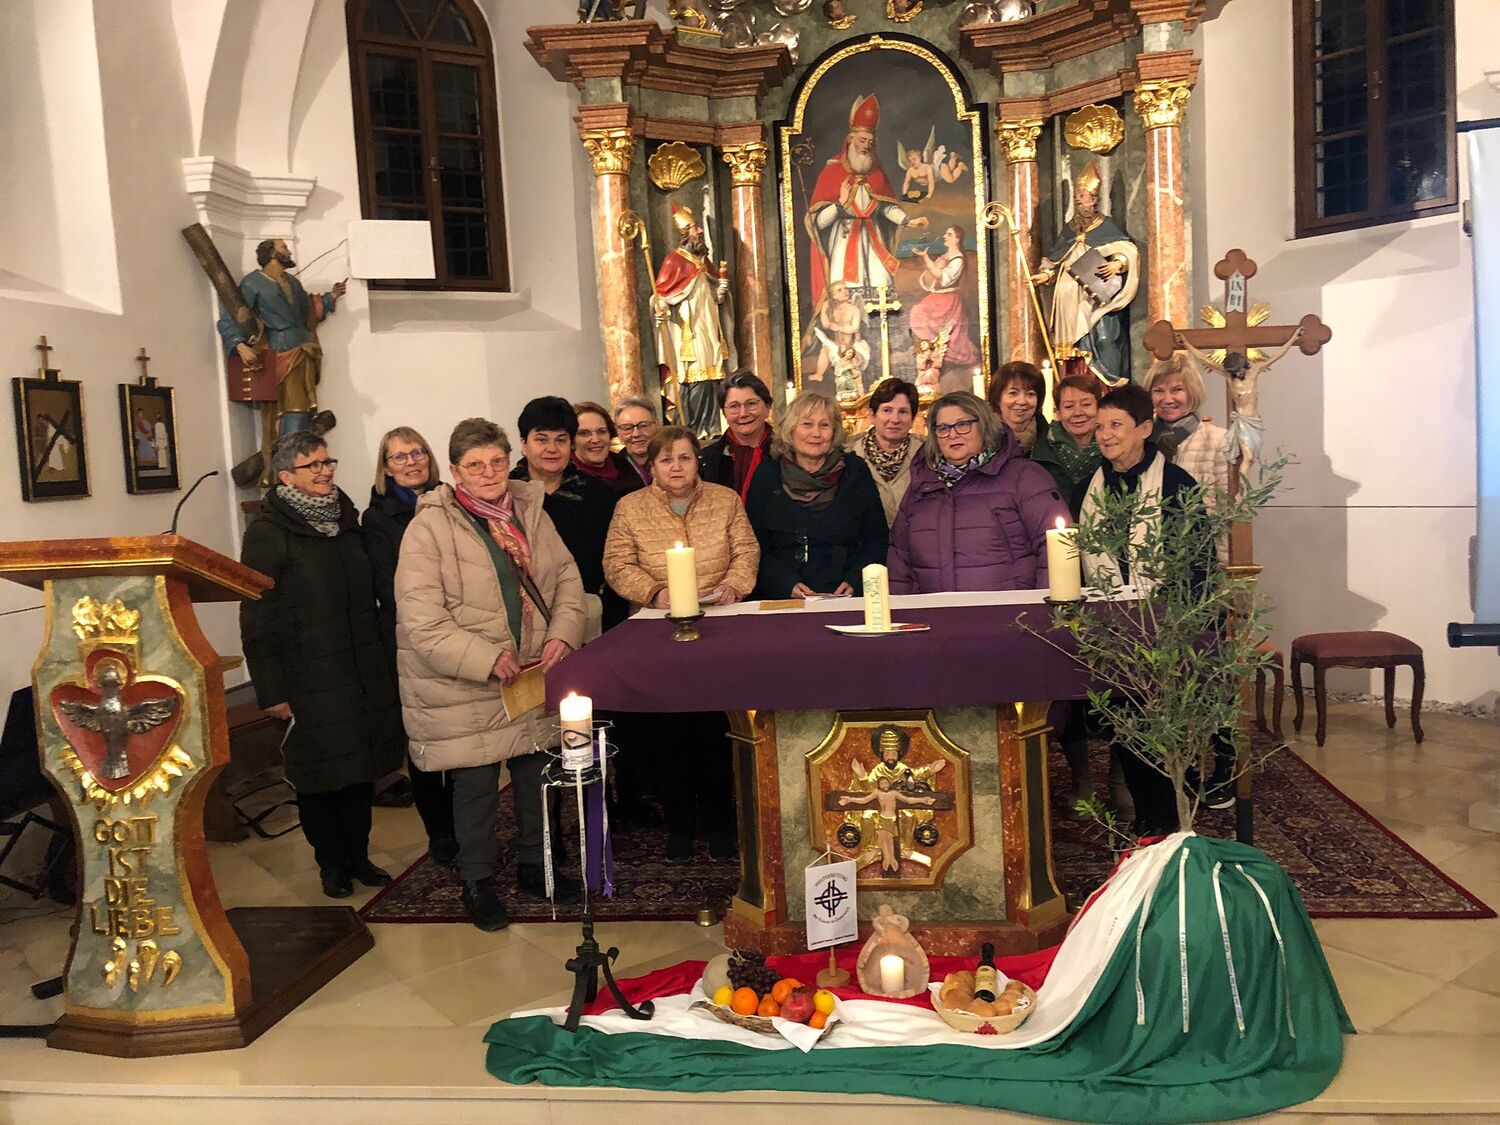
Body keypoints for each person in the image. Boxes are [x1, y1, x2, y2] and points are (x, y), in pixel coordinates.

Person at [396, 418, 588, 931]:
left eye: (497, 462)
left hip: (531, 667)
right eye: (475, 465)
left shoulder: (530, 511)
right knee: (476, 786)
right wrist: (485, 659)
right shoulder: (429, 527)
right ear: (455, 471)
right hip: (466, 679)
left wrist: (562, 634)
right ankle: (477, 881)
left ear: (510, 462)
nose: (488, 473)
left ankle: (537, 866)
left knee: (536, 775)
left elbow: (567, 578)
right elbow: (421, 619)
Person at [240, 432, 404, 899]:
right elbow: (256, 616)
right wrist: (270, 690)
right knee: (320, 776)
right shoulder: (268, 533)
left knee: (358, 771)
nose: (325, 470)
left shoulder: (345, 519)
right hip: (307, 677)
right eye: (313, 465)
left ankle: (358, 856)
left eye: (328, 461)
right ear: (285, 476)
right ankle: (330, 864)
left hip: (358, 669)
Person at [603, 426, 759, 862]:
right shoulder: (630, 507)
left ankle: (719, 824)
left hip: (719, 625)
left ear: (698, 462)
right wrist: (655, 592)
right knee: (670, 734)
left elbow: (746, 550)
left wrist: (734, 585)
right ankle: (680, 826)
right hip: (659, 629)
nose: (676, 467)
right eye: (666, 459)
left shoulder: (725, 500)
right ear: (652, 466)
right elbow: (617, 563)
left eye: (685, 458)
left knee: (715, 730)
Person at [1076, 383, 1208, 836]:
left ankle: (1175, 824)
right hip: (1113, 634)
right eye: (1099, 426)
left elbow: (1198, 564)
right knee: (1128, 732)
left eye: (1116, 425)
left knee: (1169, 734)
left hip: (1168, 633)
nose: (1105, 435)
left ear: (1145, 429)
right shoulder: (1087, 489)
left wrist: (1184, 628)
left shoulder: (1176, 485)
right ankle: (1149, 824)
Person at [362, 426, 455, 866]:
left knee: (460, 735)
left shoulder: (452, 500)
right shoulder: (377, 517)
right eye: (399, 457)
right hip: (410, 636)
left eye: (417, 452)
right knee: (424, 741)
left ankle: (466, 823)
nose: (411, 462)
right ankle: (441, 833)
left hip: (459, 629)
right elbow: (389, 584)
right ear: (386, 467)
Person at [888, 391, 1069, 593]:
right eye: (943, 428)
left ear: (984, 426)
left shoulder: (1025, 478)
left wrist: (1042, 607)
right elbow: (899, 564)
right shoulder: (922, 487)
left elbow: (1054, 550)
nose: (953, 435)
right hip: (936, 611)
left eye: (963, 425)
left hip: (1013, 610)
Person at [216, 238, 346, 485]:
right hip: (279, 352)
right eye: (284, 247)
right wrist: (240, 345)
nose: (288, 250)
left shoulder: (292, 282)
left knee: (302, 412)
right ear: (272, 254)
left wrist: (331, 297)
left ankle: (299, 470)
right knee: (291, 412)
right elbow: (231, 318)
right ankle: (288, 474)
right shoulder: (253, 283)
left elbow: (307, 311)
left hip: (303, 351)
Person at [745, 391, 888, 599]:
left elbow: (877, 538)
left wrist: (856, 579)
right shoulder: (767, 475)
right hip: (784, 596)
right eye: (807, 424)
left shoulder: (855, 471)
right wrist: (785, 583)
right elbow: (753, 544)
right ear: (790, 430)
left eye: (824, 425)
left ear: (834, 432)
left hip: (845, 595)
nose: (816, 433)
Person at [510, 396, 625, 631]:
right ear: (523, 443)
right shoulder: (506, 495)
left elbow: (613, 564)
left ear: (571, 444)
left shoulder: (598, 495)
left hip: (586, 614)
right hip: (521, 616)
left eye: (561, 440)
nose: (552, 449)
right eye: (541, 439)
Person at [806, 94, 928, 309]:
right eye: (862, 140)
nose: (866, 146)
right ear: (850, 140)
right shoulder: (832, 172)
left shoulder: (877, 174)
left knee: (880, 285)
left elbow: (886, 208)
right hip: (844, 240)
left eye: (870, 143)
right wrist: (839, 205)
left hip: (873, 239)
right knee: (846, 293)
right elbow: (817, 223)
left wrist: (907, 221)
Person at [1029, 163, 1140, 385]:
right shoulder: (1070, 229)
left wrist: (1117, 264)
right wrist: (1046, 275)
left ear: (1094, 199)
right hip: (1067, 300)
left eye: (1082, 196)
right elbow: (1056, 258)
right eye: (1076, 196)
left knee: (1103, 338)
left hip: (1095, 296)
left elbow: (1127, 249)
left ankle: (1105, 385)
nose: (1078, 200)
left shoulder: (1106, 226)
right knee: (1072, 348)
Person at [652, 204, 734, 438]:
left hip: (709, 329)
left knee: (713, 376)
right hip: (687, 333)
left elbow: (714, 297)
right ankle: (693, 428)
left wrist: (721, 291)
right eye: (695, 228)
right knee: (693, 377)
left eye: (698, 227)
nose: (700, 231)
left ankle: (712, 427)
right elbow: (661, 296)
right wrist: (660, 307)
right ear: (685, 233)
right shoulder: (673, 261)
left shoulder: (704, 262)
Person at [1148, 354, 1230, 563]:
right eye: (1159, 391)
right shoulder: (1143, 441)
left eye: (1177, 390)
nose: (1167, 399)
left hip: (1200, 557)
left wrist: (1219, 566)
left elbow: (1228, 511)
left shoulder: (1217, 440)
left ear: (1192, 392)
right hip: (1150, 559)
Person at [909, 226, 979, 391]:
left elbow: (943, 278)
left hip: (948, 301)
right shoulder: (946, 256)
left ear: (957, 239)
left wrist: (926, 258)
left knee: (951, 336)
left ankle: (944, 360)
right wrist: (929, 262)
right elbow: (930, 279)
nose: (944, 236)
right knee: (918, 313)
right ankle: (928, 357)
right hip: (937, 298)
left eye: (949, 234)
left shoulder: (958, 259)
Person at [851, 378, 922, 526]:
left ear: (913, 418)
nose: (895, 419)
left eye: (903, 412)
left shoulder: (926, 455)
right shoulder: (849, 455)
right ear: (872, 416)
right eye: (887, 410)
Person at [1031, 373, 1104, 506]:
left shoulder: (1113, 449)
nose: (1078, 413)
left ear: (1099, 408)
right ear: (1058, 412)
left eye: (1086, 404)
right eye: (1069, 407)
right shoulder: (1039, 454)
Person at [699, 370, 774, 500]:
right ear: (724, 413)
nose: (743, 413)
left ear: (767, 407)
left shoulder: (788, 453)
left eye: (751, 404)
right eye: (734, 406)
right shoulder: (707, 460)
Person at [572, 401, 643, 499]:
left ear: (610, 434)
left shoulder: (623, 466)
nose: (595, 440)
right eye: (584, 433)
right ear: (571, 440)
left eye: (602, 431)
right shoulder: (565, 481)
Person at [986, 360, 1046, 455]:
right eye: (1013, 393)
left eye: (1030, 394)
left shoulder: (1052, 441)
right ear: (997, 398)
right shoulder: (983, 439)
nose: (1022, 401)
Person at [613, 396, 660, 486]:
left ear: (657, 426)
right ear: (618, 433)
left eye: (643, 426)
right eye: (627, 428)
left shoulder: (674, 462)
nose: (636, 434)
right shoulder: (613, 470)